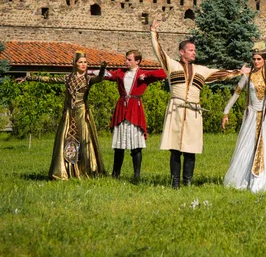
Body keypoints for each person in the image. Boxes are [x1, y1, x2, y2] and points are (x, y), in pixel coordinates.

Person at [150, 18, 241, 189]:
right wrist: (153, 32)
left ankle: (188, 182)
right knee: (175, 148)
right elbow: (159, 52)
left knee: (190, 148)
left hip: (193, 112)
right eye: (191, 50)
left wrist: (239, 72)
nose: (194, 52)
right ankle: (175, 183)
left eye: (195, 50)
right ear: (181, 52)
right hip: (176, 110)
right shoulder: (171, 66)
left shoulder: (201, 70)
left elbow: (220, 74)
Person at [19, 52, 107, 180]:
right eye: (81, 62)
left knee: (84, 139)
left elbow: (99, 78)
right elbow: (50, 79)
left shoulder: (88, 79)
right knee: (64, 140)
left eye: (85, 62)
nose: (84, 64)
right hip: (68, 114)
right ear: (75, 64)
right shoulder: (68, 78)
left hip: (82, 113)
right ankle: (64, 171)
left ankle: (87, 170)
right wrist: (29, 78)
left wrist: (103, 69)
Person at [221, 42, 266, 193]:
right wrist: (226, 111)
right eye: (254, 59)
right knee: (248, 145)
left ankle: (264, 177)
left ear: (264, 60)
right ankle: (244, 177)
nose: (256, 62)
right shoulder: (247, 77)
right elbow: (236, 94)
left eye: (259, 59)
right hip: (251, 115)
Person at [102, 50, 166, 181]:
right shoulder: (120, 72)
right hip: (121, 108)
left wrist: (147, 74)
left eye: (129, 60)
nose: (126, 62)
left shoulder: (142, 74)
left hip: (135, 110)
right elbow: (107, 75)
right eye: (126, 59)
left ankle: (136, 176)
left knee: (136, 145)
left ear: (137, 61)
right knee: (119, 145)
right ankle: (115, 174)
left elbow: (164, 73)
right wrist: (91, 71)